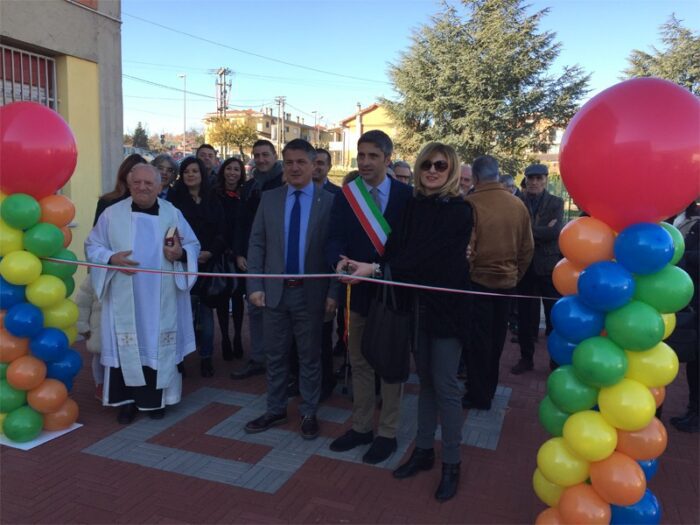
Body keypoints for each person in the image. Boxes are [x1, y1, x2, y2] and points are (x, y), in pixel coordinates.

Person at [341, 142, 473, 502]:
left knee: (445, 387)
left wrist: (378, 269)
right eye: (426, 164)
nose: (432, 170)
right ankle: (424, 451)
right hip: (418, 309)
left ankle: (452, 463)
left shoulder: (461, 211)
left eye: (441, 165)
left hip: (447, 312)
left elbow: (427, 258)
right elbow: (397, 249)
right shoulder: (414, 205)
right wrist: (367, 264)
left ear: (451, 169)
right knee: (426, 383)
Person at [85, 164, 200, 423]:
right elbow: (93, 245)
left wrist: (180, 254)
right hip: (125, 295)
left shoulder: (172, 214)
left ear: (160, 186)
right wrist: (111, 257)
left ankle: (155, 401)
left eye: (149, 183)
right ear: (129, 184)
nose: (142, 187)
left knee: (156, 346)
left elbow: (192, 244)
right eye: (137, 182)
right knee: (127, 345)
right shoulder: (112, 214)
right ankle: (127, 402)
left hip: (162, 297)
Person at [326, 130, 413, 464]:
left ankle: (387, 433)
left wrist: (378, 267)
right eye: (361, 155)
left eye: (372, 156)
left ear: (387, 158)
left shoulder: (407, 197)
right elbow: (334, 237)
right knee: (359, 362)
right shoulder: (348, 196)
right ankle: (361, 427)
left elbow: (409, 248)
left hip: (393, 295)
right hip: (359, 294)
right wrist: (339, 260)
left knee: (390, 366)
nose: (364, 162)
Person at [243, 139, 338, 439]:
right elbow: (257, 243)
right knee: (275, 354)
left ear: (314, 165)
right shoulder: (269, 199)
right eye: (290, 161)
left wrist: (334, 293)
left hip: (312, 294)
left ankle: (309, 411)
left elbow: (337, 252)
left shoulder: (330, 203)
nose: (295, 167)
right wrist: (254, 285)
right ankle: (275, 409)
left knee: (310, 356)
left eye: (302, 162)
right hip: (274, 292)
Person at [463, 155, 533, 410]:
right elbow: (527, 249)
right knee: (496, 340)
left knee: (476, 342)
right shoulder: (517, 205)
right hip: (507, 284)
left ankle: (477, 394)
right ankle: (488, 390)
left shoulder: (470, 203)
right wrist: (514, 275)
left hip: (477, 283)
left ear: (476, 177)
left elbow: (466, 249)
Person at [168, 157, 227, 377]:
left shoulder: (213, 198)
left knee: (205, 313)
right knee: (183, 313)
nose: (190, 175)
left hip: (208, 262)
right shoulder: (174, 201)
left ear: (202, 174)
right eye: (186, 172)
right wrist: (188, 254)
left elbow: (223, 229)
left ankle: (206, 357)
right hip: (182, 263)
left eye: (195, 171)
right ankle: (179, 358)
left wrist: (210, 252)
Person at [232, 139, 285, 380]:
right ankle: (258, 358)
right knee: (254, 309)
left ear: (275, 155)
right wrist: (240, 253)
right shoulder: (249, 186)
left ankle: (280, 362)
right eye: (257, 155)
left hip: (278, 258)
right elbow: (241, 223)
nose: (261, 159)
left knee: (279, 312)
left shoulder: (285, 183)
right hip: (253, 258)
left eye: (266, 154)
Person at [511, 163, 564, 374]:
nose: (534, 182)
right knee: (525, 316)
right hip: (525, 267)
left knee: (554, 317)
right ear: (526, 180)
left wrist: (530, 232)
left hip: (548, 267)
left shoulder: (556, 202)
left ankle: (555, 360)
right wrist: (542, 230)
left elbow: (555, 232)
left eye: (539, 178)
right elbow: (515, 231)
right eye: (531, 178)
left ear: (545, 180)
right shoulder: (518, 202)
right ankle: (526, 358)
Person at [669, 201, 699, 433]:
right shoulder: (674, 217)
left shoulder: (695, 220)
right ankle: (693, 409)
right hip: (683, 295)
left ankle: (696, 413)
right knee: (693, 359)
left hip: (695, 295)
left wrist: (680, 255)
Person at [214, 157, 246, 360]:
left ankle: (238, 338)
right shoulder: (214, 194)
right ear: (223, 171)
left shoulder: (245, 194)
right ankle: (225, 337)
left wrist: (238, 251)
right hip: (220, 253)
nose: (232, 173)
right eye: (229, 169)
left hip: (239, 253)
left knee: (238, 296)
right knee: (222, 297)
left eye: (236, 169)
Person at [93, 153, 146, 225]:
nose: (137, 175)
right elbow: (97, 234)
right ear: (125, 173)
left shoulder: (152, 203)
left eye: (142, 172)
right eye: (133, 171)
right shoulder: (107, 202)